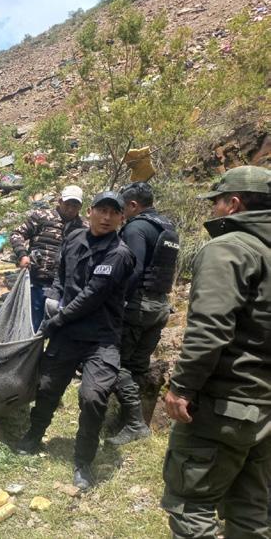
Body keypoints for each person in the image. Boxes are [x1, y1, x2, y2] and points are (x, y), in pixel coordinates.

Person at [161, 165, 271, 538]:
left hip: (221, 409)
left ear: (233, 204)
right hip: (263, 409)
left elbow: (210, 329)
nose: (213, 210)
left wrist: (181, 388)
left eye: (217, 202)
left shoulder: (229, 248)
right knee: (251, 510)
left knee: (189, 505)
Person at [17, 191, 134, 491]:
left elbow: (92, 296)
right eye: (102, 210)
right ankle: (34, 434)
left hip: (101, 337)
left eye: (114, 213)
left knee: (93, 397)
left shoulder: (119, 254)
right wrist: (53, 296)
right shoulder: (74, 238)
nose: (106, 218)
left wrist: (56, 320)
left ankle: (83, 461)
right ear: (90, 211)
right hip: (68, 333)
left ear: (122, 218)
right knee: (47, 386)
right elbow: (61, 274)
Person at [107, 182, 179, 445]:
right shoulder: (167, 227)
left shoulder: (136, 227)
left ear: (133, 205)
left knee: (114, 363)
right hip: (159, 306)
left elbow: (133, 269)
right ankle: (126, 421)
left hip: (137, 307)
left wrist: (118, 300)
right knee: (137, 366)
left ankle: (135, 424)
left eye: (122, 207)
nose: (121, 213)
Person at [10, 185, 86, 332]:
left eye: (75, 205)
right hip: (38, 280)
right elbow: (16, 234)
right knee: (33, 324)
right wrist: (22, 255)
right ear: (60, 201)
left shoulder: (83, 227)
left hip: (65, 287)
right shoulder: (41, 216)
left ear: (80, 207)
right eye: (68, 204)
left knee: (59, 327)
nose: (71, 209)